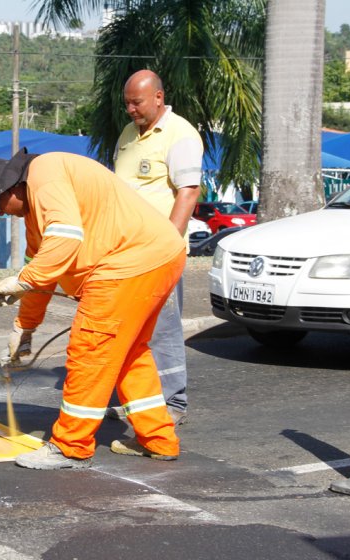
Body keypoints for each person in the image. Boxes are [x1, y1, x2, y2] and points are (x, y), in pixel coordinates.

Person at [0, 149, 186, 470]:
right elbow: (43, 274)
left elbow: (65, 236)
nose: (5, 214)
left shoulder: (43, 175)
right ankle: (157, 438)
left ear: (10, 189)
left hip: (127, 264)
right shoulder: (35, 206)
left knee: (90, 350)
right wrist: (24, 329)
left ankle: (71, 445)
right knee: (129, 353)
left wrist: (22, 279)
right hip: (158, 255)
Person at [110, 69, 204, 426]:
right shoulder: (128, 135)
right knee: (130, 329)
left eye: (136, 102)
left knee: (162, 330)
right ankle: (139, 400)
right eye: (127, 104)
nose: (130, 110)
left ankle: (172, 404)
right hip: (126, 253)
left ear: (158, 97)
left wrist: (166, 245)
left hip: (158, 254)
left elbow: (188, 191)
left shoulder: (180, 134)